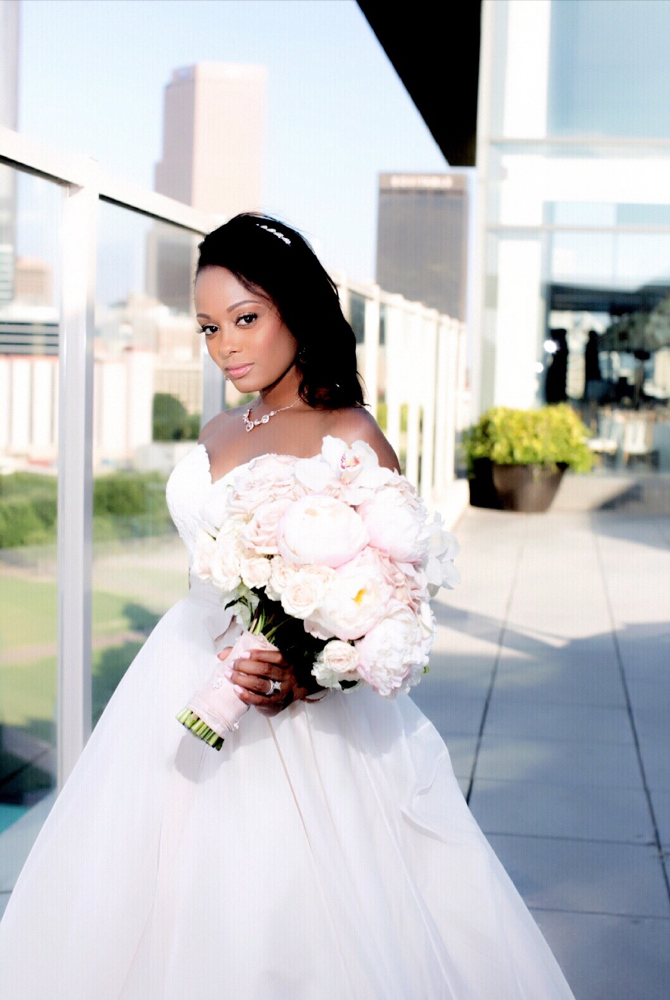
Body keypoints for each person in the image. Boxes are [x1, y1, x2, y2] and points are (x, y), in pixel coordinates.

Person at [0, 213, 578, 999]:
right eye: (209, 328)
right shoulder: (220, 426)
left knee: (285, 917)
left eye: (246, 319)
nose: (226, 346)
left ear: (295, 310)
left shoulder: (350, 435)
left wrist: (306, 681)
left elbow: (392, 607)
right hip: (179, 672)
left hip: (292, 711)